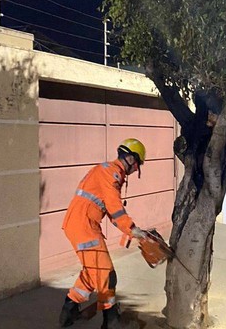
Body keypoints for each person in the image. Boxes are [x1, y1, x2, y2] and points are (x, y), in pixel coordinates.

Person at [59, 138, 147, 328]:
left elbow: (111, 212)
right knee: (106, 274)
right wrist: (132, 228)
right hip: (84, 226)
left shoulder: (106, 171)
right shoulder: (112, 173)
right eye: (138, 164)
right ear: (131, 159)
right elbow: (114, 206)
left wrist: (130, 231)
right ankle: (110, 320)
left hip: (80, 224)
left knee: (93, 272)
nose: (136, 169)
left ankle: (70, 309)